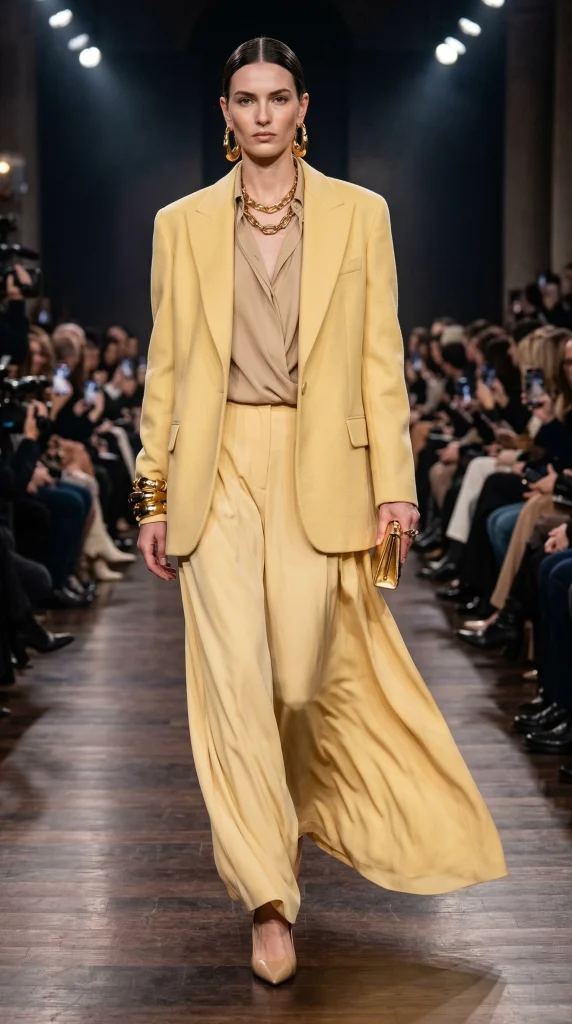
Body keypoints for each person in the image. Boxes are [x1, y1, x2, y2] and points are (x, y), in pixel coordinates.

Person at [133, 37, 507, 985]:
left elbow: (382, 360)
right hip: (214, 470)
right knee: (231, 683)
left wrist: (397, 485)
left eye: (278, 99)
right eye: (245, 99)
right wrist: (153, 492)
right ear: (225, 113)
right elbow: (166, 367)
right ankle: (268, 899)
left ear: (305, 109)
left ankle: (285, 824)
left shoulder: (359, 215)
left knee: (299, 682)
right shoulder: (180, 223)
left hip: (320, 465)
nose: (262, 114)